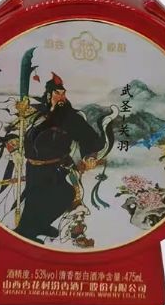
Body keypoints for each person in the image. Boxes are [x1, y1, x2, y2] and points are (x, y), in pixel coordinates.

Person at [14, 72, 103, 243]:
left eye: (63, 93)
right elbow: (16, 131)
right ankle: (30, 230)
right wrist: (16, 150)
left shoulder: (70, 117)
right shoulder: (36, 113)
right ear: (49, 95)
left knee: (64, 194)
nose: (61, 97)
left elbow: (89, 139)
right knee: (33, 200)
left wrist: (90, 156)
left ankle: (32, 229)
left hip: (55, 167)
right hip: (32, 166)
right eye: (57, 93)